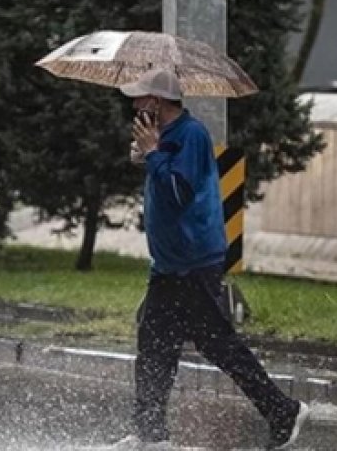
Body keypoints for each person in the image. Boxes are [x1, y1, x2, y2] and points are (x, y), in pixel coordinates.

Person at [111, 67, 309, 450]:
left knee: (217, 345)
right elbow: (162, 176)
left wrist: (153, 155)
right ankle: (150, 433)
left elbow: (178, 193)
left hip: (193, 263)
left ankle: (283, 410)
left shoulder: (192, 135)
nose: (134, 104)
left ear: (157, 100)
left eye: (140, 97)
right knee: (155, 345)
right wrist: (146, 154)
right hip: (170, 265)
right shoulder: (166, 135)